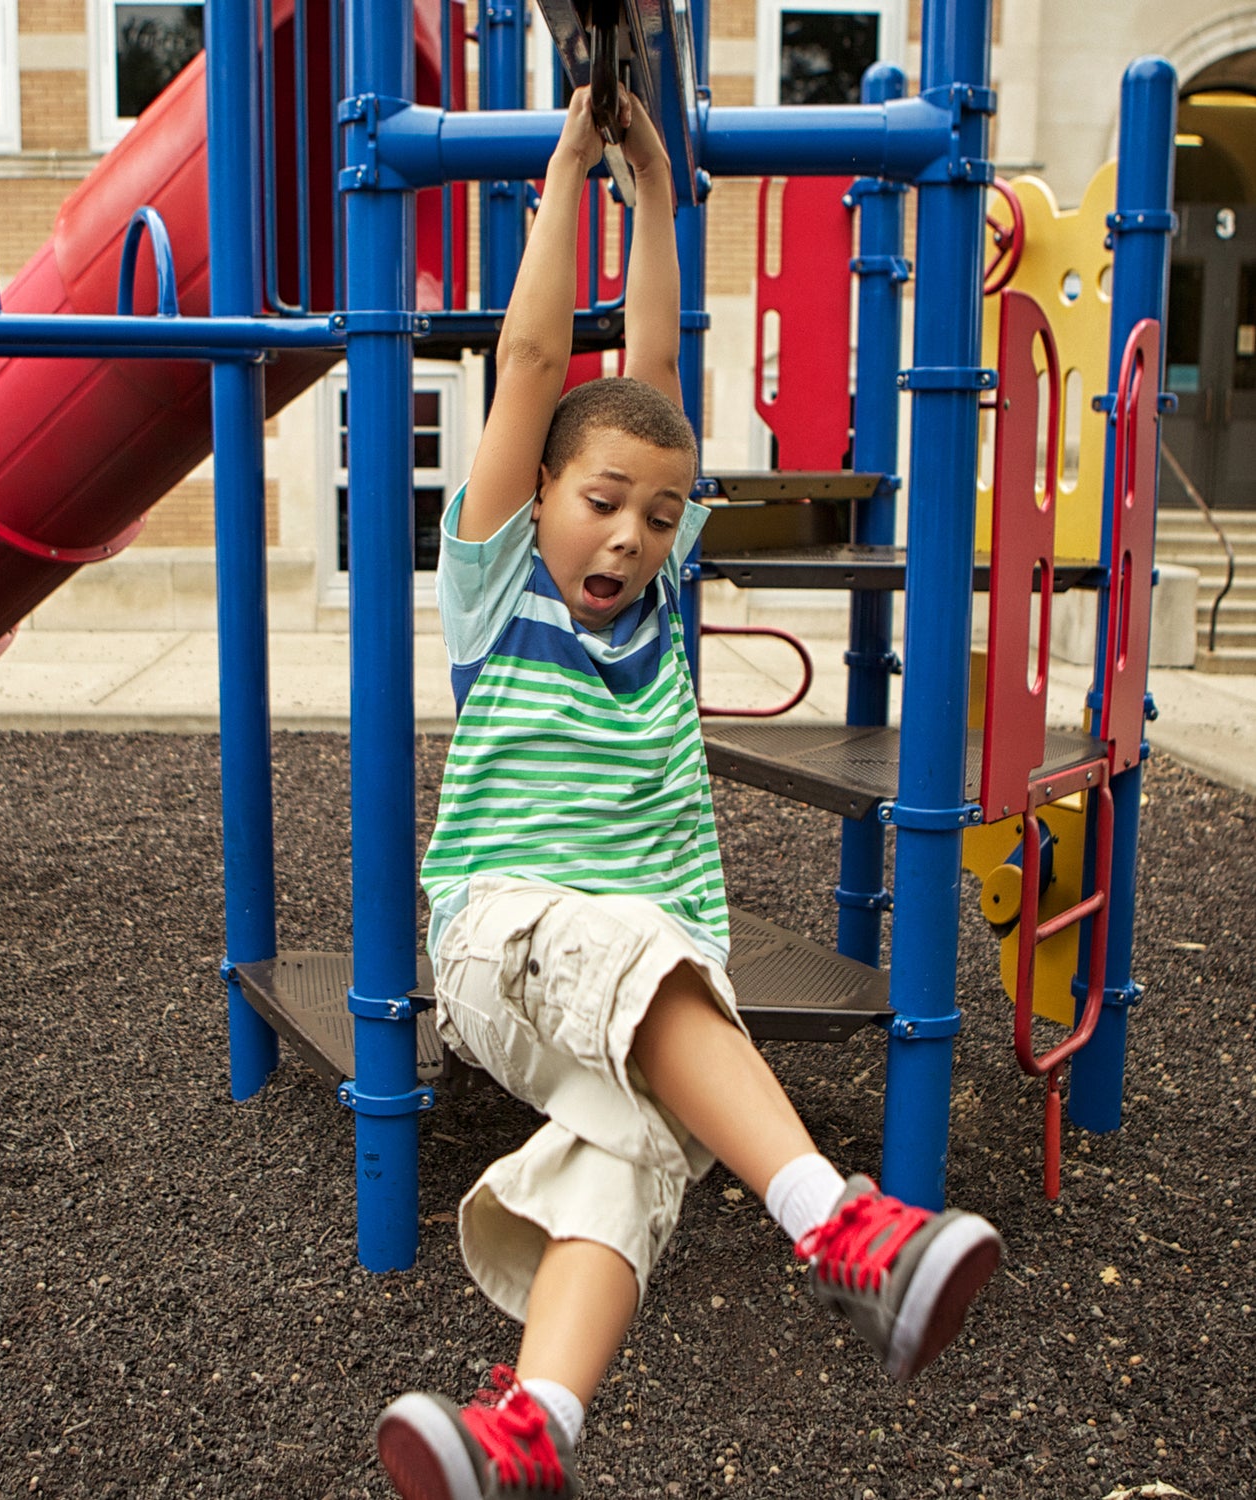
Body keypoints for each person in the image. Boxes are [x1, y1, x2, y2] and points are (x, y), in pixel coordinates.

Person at [374, 86, 1003, 1500]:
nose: (630, 532)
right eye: (601, 500)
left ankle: (529, 1431)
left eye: (660, 515)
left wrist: (657, 194)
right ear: (534, 495)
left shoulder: (660, 608)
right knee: (652, 966)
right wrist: (568, 168)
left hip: (645, 973)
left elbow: (649, 373)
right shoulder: (496, 583)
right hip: (504, 938)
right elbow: (540, 355)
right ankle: (840, 1231)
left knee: (627, 1150)